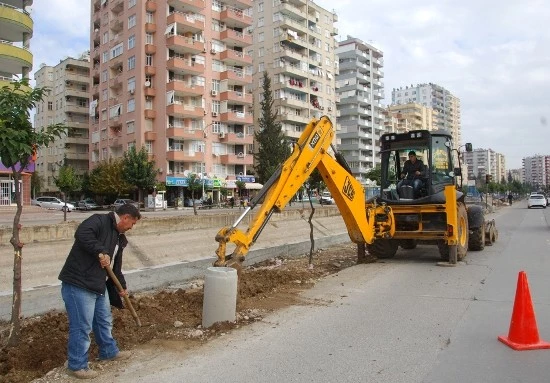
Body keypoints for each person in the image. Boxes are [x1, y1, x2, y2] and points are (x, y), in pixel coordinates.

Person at [58, 204, 141, 379]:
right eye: (132, 223)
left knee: (104, 320)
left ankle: (108, 351)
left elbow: (115, 267)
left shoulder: (120, 238)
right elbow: (82, 233)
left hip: (98, 285)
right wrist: (101, 251)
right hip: (79, 283)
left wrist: (122, 287)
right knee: (82, 326)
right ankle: (77, 365)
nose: (131, 227)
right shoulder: (100, 221)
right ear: (125, 217)